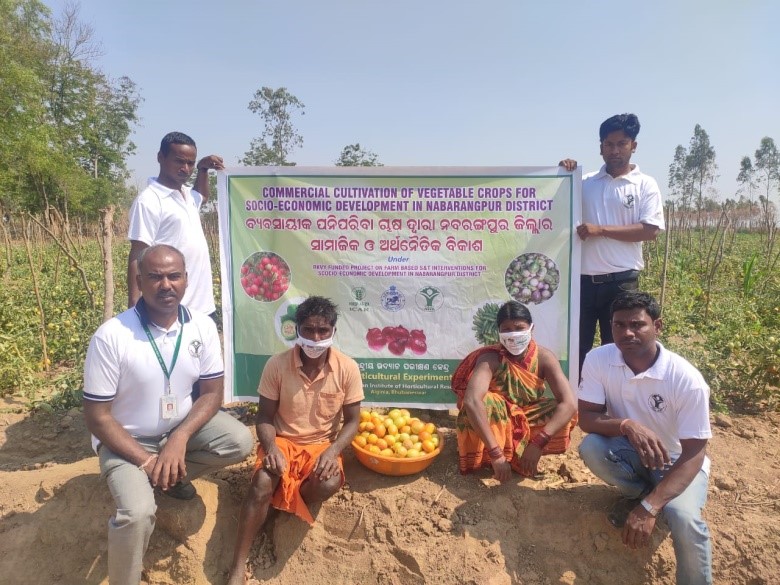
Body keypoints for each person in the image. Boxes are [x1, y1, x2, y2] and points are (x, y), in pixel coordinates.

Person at [83, 244, 254, 585]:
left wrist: (180, 436)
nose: (166, 285)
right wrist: (146, 461)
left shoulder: (202, 327)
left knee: (238, 441)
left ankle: (170, 479)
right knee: (137, 513)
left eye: (174, 276)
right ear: (139, 281)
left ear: (186, 280)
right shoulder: (112, 336)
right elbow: (98, 417)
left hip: (179, 429)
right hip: (126, 443)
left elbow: (212, 393)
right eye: (155, 277)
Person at [226, 296, 364, 585]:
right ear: (297, 330)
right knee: (261, 482)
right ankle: (237, 568)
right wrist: (271, 447)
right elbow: (264, 417)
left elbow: (353, 421)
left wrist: (333, 451)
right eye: (309, 329)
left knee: (328, 483)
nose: (316, 338)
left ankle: (280, 505)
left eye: (323, 330)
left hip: (321, 447)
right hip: (283, 443)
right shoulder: (276, 365)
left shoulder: (348, 368)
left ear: (333, 331)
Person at [578, 291, 712, 585]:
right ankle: (638, 494)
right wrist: (627, 425)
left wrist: (650, 508)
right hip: (632, 453)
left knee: (684, 520)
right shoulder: (599, 359)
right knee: (592, 447)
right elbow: (586, 418)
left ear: (657, 326)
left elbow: (694, 453)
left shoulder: (685, 379)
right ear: (611, 326)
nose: (627, 332)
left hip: (678, 463)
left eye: (637, 324)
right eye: (619, 325)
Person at [560, 113, 665, 374]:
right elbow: (557, 203)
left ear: (633, 146)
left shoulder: (645, 184)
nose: (615, 150)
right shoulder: (584, 183)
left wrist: (601, 230)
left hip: (621, 282)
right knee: (577, 348)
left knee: (620, 348)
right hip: (582, 283)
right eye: (609, 144)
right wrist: (561, 174)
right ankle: (579, 395)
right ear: (601, 148)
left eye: (621, 144)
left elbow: (650, 230)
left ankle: (618, 395)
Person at [451, 300, 577, 481]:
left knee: (560, 411)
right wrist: (496, 454)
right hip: (497, 420)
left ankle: (524, 454)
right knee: (487, 402)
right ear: (499, 331)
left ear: (531, 328)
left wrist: (539, 442)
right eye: (507, 329)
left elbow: (569, 403)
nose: (513, 334)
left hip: (527, 416)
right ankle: (492, 456)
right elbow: (472, 400)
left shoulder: (544, 358)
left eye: (519, 328)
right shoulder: (491, 358)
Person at [127, 131, 224, 318]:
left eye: (190, 163)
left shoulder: (186, 194)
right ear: (160, 158)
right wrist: (134, 309)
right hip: (171, 308)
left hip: (203, 306)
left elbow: (202, 196)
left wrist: (203, 169)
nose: (185, 169)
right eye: (179, 161)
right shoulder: (149, 201)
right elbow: (137, 254)